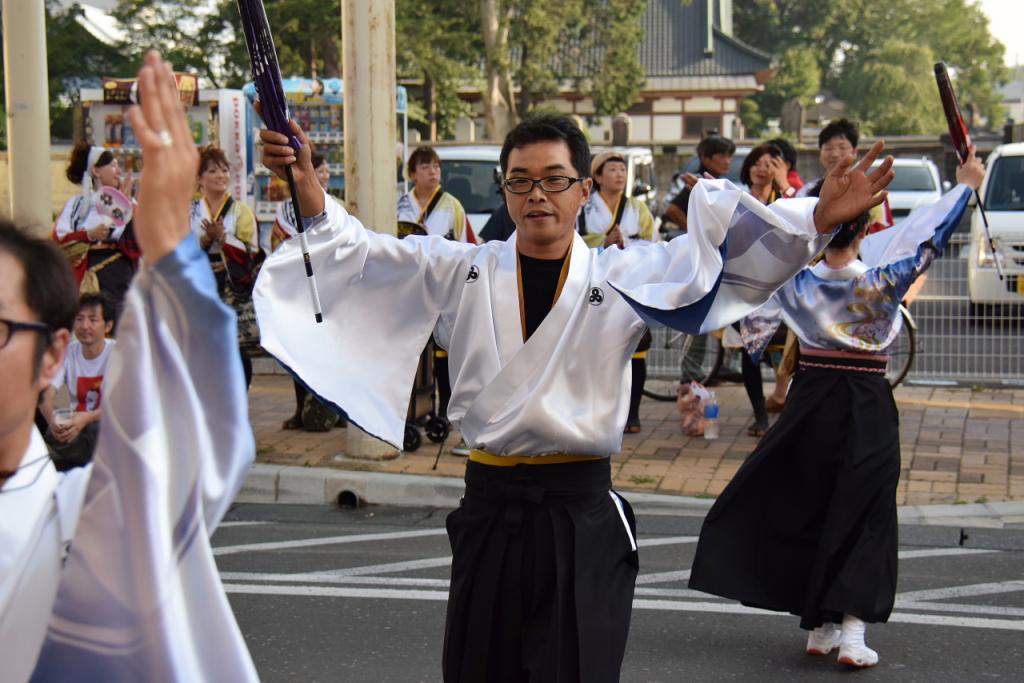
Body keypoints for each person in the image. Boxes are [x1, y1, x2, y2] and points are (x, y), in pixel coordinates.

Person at [255, 108, 893, 681]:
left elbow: (714, 262)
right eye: (521, 180)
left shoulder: (622, 274)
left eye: (555, 179)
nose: (538, 195)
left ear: (584, 191)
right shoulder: (460, 269)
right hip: (490, 508)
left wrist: (817, 215)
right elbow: (361, 254)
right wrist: (307, 183)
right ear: (505, 191)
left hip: (580, 513)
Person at [1, 51, 256, 681]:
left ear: (51, 356)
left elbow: (186, 452)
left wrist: (171, 253)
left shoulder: (90, 519)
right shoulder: (78, 212)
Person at [689, 149, 985, 669]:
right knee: (865, 512)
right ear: (867, 231)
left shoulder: (794, 283)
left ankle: (821, 627)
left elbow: (751, 322)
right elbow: (930, 239)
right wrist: (964, 185)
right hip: (866, 399)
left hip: (810, 399)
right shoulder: (882, 281)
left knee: (813, 503)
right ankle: (851, 631)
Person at [397, 146, 476, 453]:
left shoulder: (452, 206)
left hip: (445, 287)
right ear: (412, 173)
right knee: (411, 352)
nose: (433, 172)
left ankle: (445, 410)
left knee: (445, 352)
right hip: (410, 288)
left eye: (436, 167)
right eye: (426, 167)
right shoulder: (400, 204)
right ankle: (406, 410)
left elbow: (468, 245)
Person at [581, 151, 656, 432]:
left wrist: (625, 244)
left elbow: (652, 244)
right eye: (612, 170)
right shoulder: (584, 207)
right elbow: (571, 241)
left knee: (637, 348)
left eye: (623, 170)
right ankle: (599, 410)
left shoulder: (638, 208)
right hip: (596, 284)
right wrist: (602, 241)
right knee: (596, 349)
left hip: (631, 285)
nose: (620, 175)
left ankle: (632, 414)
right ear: (598, 177)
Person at [271, 151, 346, 431]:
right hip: (299, 289)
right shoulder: (287, 208)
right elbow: (285, 241)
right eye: (320, 170)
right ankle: (301, 407)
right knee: (298, 351)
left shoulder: (335, 205)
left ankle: (335, 410)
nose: (325, 175)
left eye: (326, 171)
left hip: (329, 287)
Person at [736, 143, 798, 435]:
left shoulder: (786, 200)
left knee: (792, 352)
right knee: (750, 353)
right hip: (747, 288)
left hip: (784, 288)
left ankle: (788, 409)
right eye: (757, 163)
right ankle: (760, 415)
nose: (763, 168)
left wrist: (785, 187)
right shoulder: (737, 200)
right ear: (747, 169)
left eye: (769, 163)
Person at [190, 145, 262, 388]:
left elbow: (251, 250)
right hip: (198, 287)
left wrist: (223, 240)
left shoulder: (241, 211)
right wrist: (203, 240)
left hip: (230, 285)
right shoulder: (189, 212)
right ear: (199, 179)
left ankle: (238, 398)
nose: (220, 175)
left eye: (223, 170)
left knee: (235, 345)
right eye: (212, 171)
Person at [53, 141, 141, 314]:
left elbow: (138, 242)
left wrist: (126, 206)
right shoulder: (76, 205)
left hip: (116, 273)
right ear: (96, 170)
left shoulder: (129, 204)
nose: (119, 171)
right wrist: (88, 235)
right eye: (113, 165)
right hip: (82, 273)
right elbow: (60, 240)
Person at [38, 293, 116, 470]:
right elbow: (46, 391)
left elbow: (124, 403)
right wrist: (55, 421)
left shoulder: (120, 352)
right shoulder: (67, 351)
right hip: (76, 426)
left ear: (108, 325)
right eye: (79, 319)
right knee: (55, 430)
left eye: (93, 319)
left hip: (106, 424)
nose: (84, 326)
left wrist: (86, 418)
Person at [799, 119, 892, 233]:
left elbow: (882, 233)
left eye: (842, 148)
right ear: (820, 152)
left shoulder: (872, 192)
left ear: (854, 152)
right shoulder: (805, 191)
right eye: (828, 148)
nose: (835, 154)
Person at [662, 135, 735, 230]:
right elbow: (672, 210)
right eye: (722, 156)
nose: (727, 161)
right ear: (706, 159)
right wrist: (693, 231)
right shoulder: (699, 182)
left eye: (729, 156)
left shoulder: (716, 182)